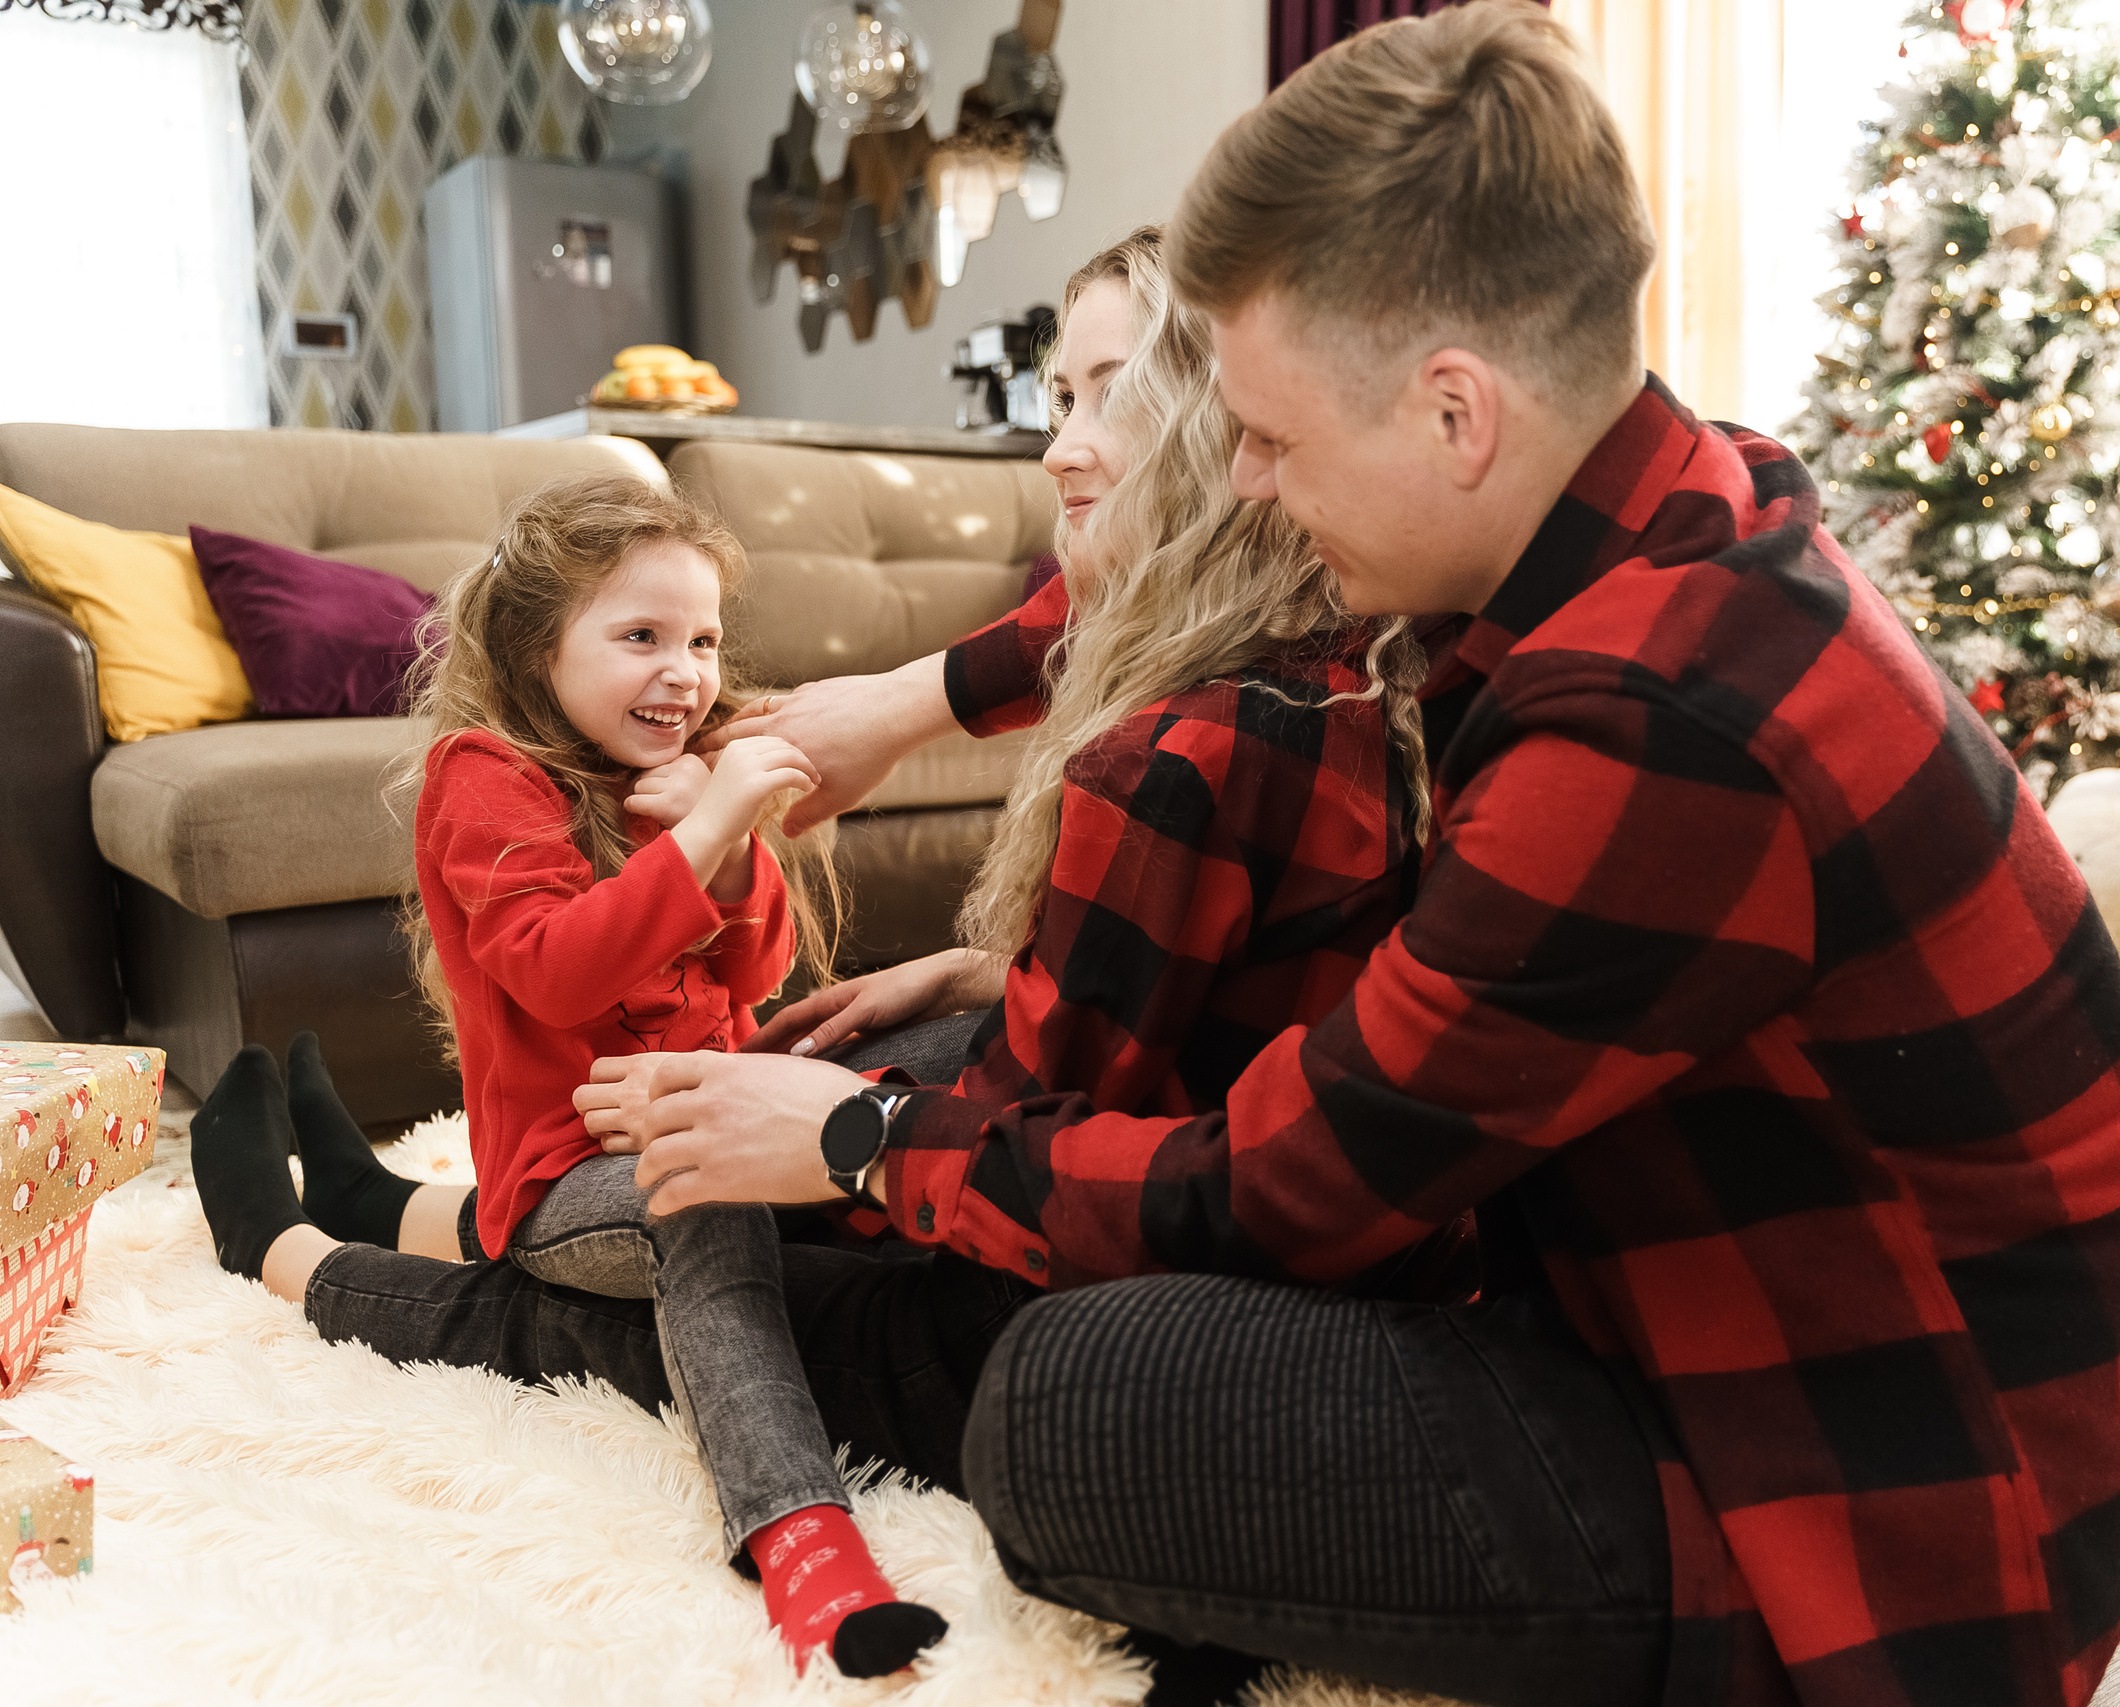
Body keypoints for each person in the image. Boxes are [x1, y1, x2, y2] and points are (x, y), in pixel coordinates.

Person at [582, 7, 2120, 1707]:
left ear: (1453, 413)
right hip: (1711, 1310)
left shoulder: (1651, 728)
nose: (1248, 483)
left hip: (1881, 1519)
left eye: (1271, 436)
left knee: (1069, 1397)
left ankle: (554, 1313)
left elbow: (1280, 1192)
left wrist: (863, 1140)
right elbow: (1155, 609)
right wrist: (919, 725)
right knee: (964, 1112)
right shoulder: (1665, 513)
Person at [187, 225, 1457, 1579]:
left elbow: (819, 1008)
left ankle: (307, 1243)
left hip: (1089, 1245)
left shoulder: (1179, 748)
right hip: (668, 1162)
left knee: (698, 1252)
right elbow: (585, 972)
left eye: (1111, 393)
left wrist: (820, 1099)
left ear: (1227, 428)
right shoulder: (1332, 641)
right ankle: (376, 1206)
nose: (1058, 449)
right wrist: (961, 966)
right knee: (789, 1108)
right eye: (1060, 398)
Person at [188, 474, 952, 1679]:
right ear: (536, 648)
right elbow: (554, 973)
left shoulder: (679, 771)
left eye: (703, 641)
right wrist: (709, 827)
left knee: (905, 1062)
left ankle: (366, 1199)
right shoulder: (483, 776)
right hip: (564, 1179)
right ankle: (798, 1533)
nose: (685, 673)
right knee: (706, 1199)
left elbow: (755, 968)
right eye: (640, 636)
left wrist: (726, 840)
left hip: (708, 1115)